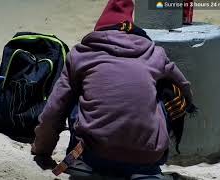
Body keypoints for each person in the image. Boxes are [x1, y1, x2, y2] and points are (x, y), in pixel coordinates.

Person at [31, 0, 193, 179]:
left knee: (76, 92)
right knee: (167, 91)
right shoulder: (155, 54)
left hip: (95, 155)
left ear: (99, 30)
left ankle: (81, 162)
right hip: (147, 157)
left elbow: (54, 110)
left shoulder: (81, 55)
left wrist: (42, 149)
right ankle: (146, 172)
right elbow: (184, 87)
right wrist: (187, 103)